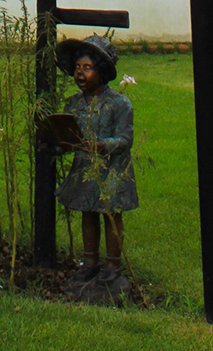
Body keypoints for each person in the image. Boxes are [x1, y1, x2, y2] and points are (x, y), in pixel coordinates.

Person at [54, 34, 138, 299]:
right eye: (78, 69)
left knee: (111, 214)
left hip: (111, 170)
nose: (80, 74)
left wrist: (102, 145)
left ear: (101, 72)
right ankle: (89, 262)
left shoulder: (119, 104)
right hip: (85, 170)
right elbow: (68, 134)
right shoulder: (74, 104)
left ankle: (113, 265)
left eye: (87, 68)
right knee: (87, 213)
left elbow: (125, 139)